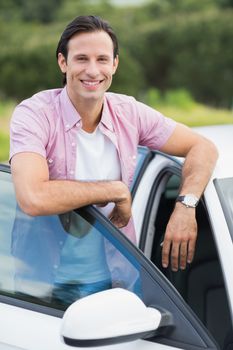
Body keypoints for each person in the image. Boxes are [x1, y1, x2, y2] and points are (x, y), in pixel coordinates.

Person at [10, 15, 218, 289]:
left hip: (119, 278)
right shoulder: (34, 115)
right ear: (63, 62)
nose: (93, 71)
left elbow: (203, 147)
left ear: (115, 64)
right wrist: (114, 190)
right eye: (82, 58)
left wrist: (185, 206)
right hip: (47, 287)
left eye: (102, 59)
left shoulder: (129, 112)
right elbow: (32, 197)